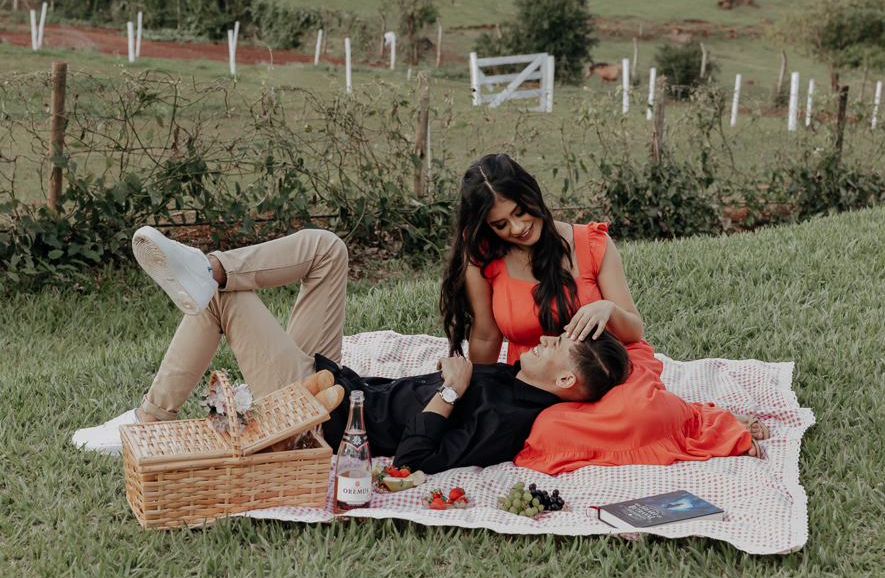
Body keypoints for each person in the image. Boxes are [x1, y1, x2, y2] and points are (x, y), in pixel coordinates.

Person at [71, 226, 632, 474]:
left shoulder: (509, 419)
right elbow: (486, 335)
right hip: (335, 378)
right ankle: (211, 265)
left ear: (566, 383)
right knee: (327, 250)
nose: (552, 335)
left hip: (314, 418)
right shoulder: (510, 378)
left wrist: (449, 389)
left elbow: (415, 461)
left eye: (564, 344)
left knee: (224, 303)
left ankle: (148, 419)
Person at [438, 153, 769, 473]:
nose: (518, 227)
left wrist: (607, 310)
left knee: (634, 412)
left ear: (532, 194)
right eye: (501, 224)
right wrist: (479, 394)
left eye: (521, 211)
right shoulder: (483, 256)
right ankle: (672, 416)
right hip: (545, 376)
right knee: (543, 429)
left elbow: (634, 330)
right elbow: (485, 333)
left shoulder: (592, 243)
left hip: (610, 364)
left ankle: (702, 421)